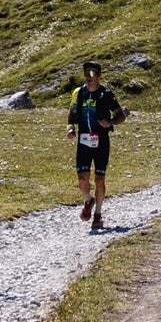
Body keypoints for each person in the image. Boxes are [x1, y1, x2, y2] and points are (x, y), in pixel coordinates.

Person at [68, 60, 127, 231]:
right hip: (83, 141)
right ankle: (88, 199)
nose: (89, 77)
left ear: (99, 76)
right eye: (87, 74)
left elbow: (121, 115)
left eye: (93, 74)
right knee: (82, 179)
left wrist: (109, 122)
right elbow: (72, 113)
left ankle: (98, 214)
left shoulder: (106, 94)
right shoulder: (79, 93)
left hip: (101, 142)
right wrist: (70, 127)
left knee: (99, 179)